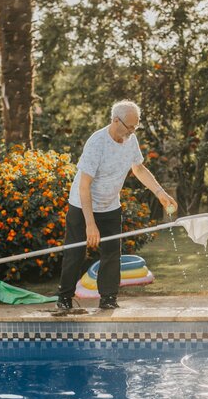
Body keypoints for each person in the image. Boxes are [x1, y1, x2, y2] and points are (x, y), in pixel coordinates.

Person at [56, 100, 177, 310]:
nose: (133, 131)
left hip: (110, 206)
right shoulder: (97, 143)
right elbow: (84, 187)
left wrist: (160, 193)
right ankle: (64, 298)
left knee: (112, 253)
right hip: (81, 206)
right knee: (75, 253)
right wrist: (90, 224)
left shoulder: (130, 139)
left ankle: (108, 299)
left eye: (135, 126)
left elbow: (138, 169)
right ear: (115, 120)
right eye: (130, 126)